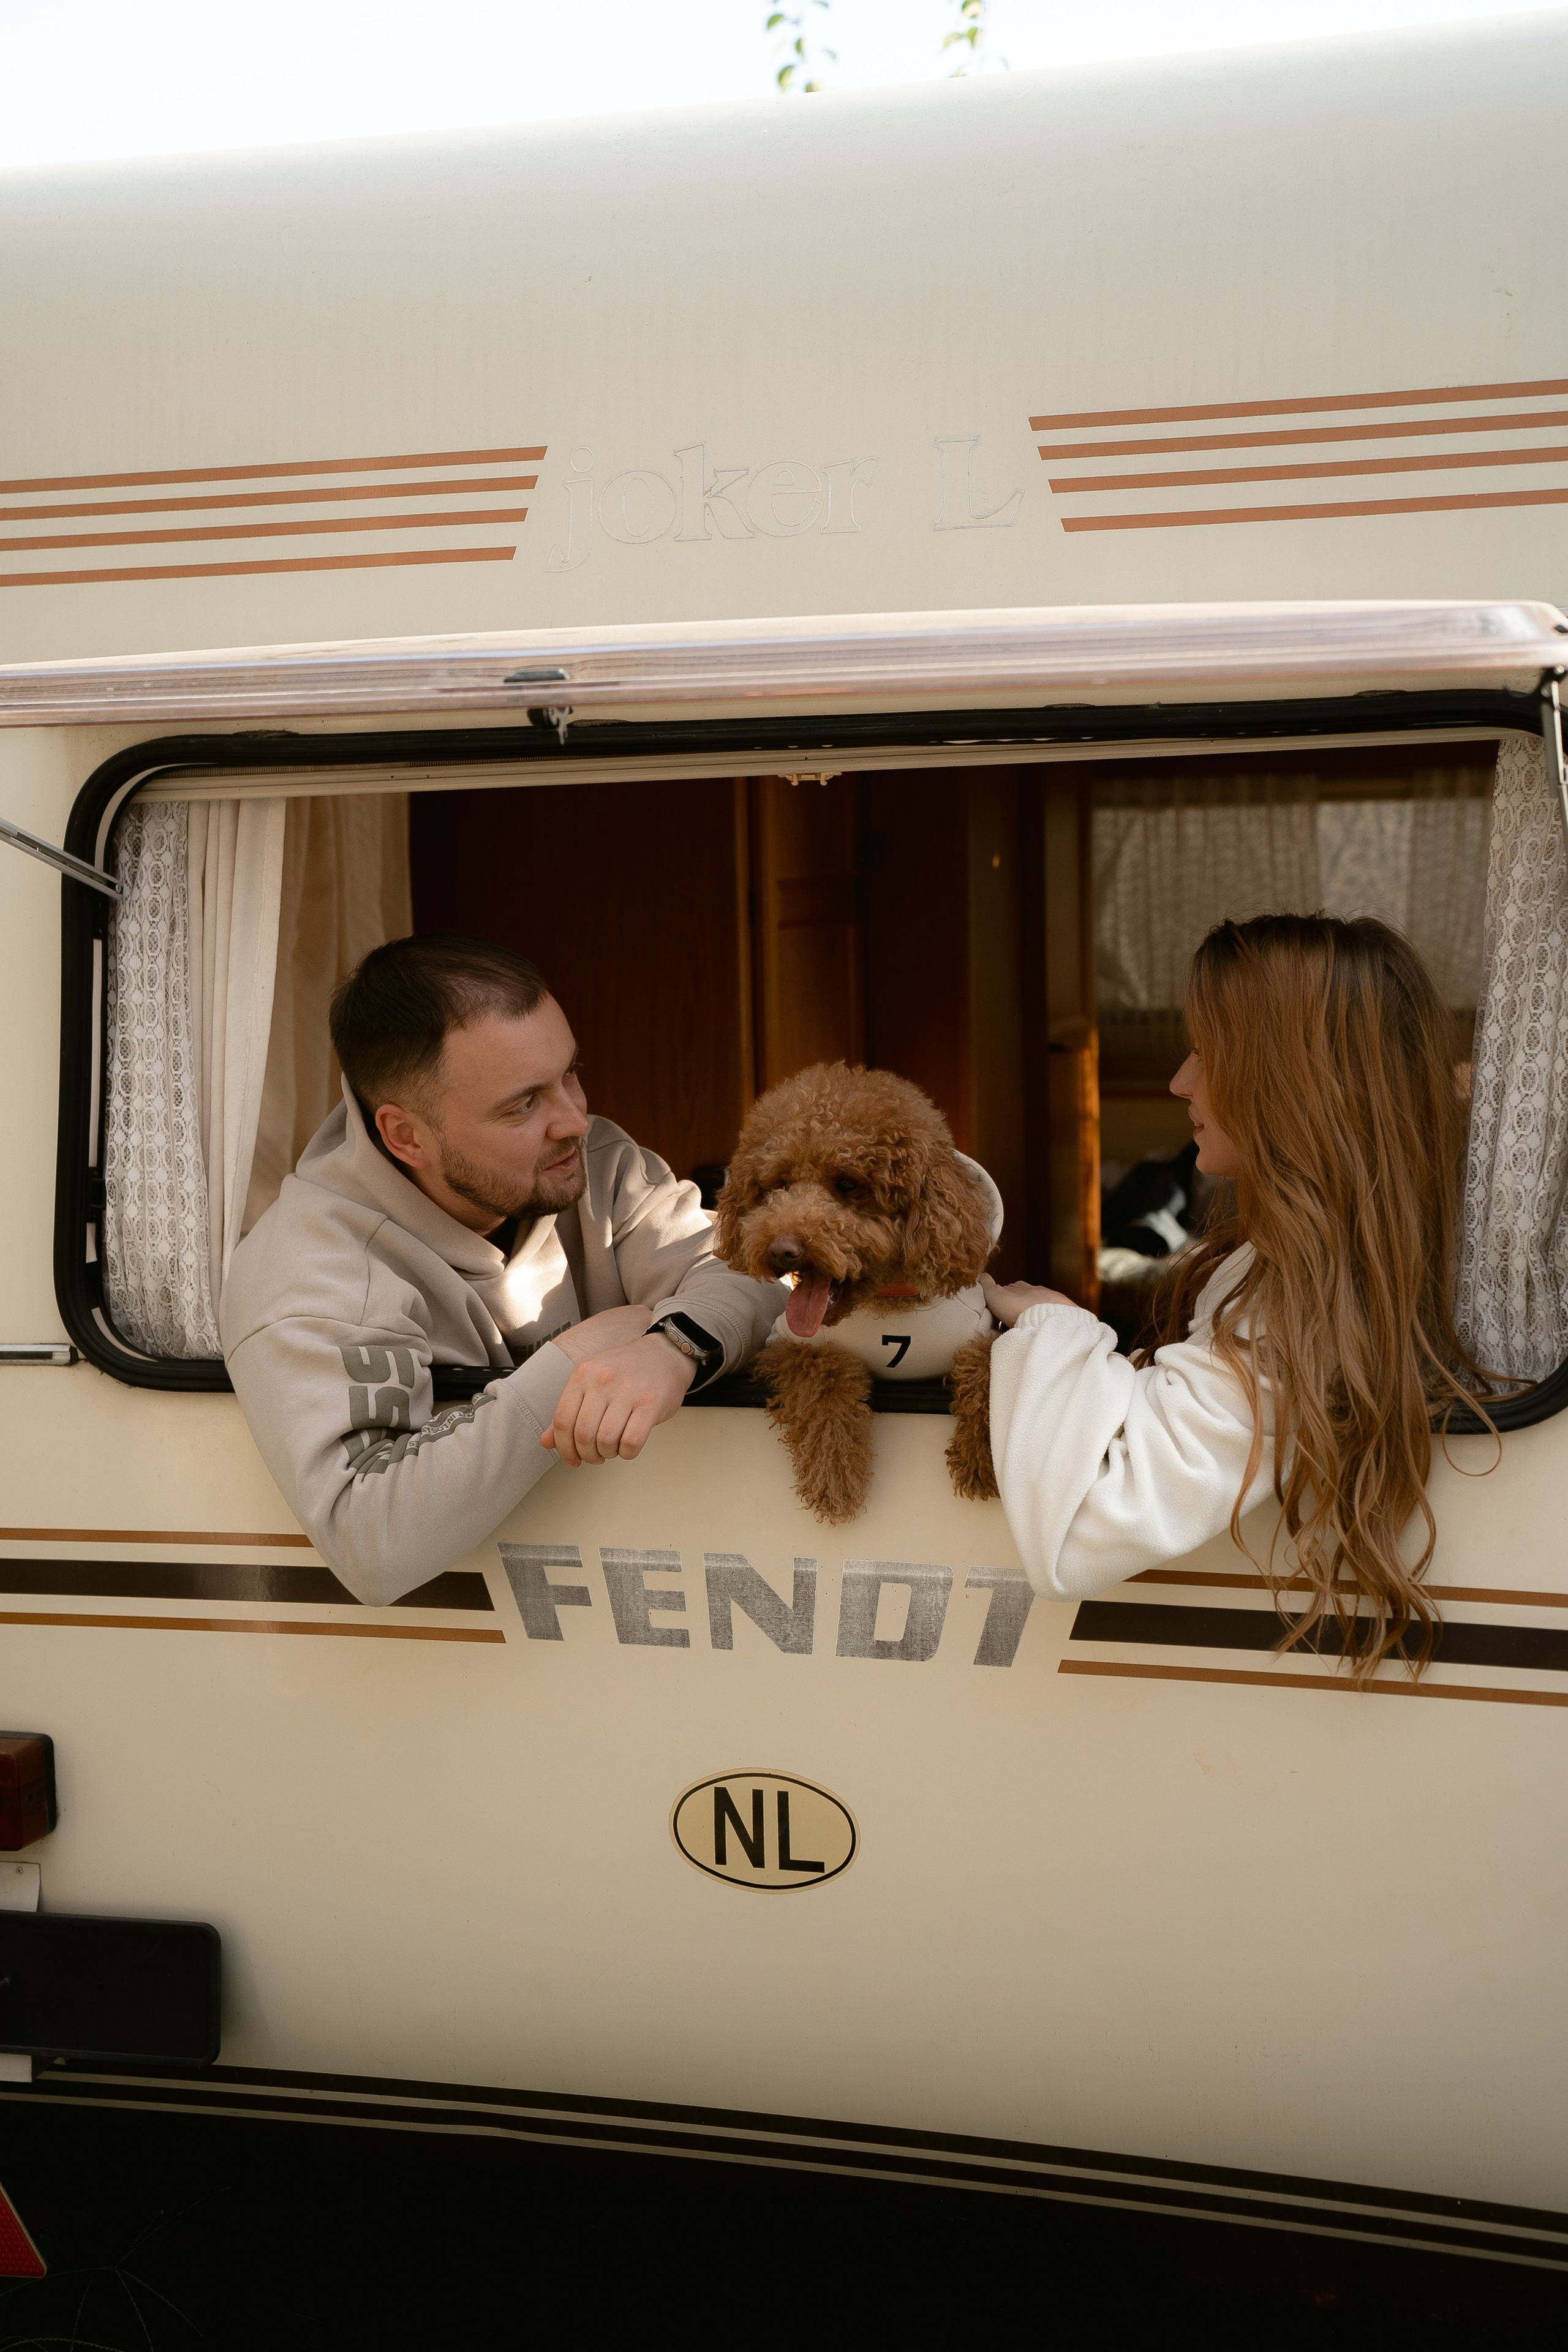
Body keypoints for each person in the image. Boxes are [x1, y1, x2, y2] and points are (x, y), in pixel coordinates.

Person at [981, 914, 1491, 1681]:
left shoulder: (1296, 1300)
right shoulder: (1346, 1251)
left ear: (1291, 1082)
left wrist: (1053, 1326)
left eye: (1208, 1053)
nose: (1179, 1081)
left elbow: (1081, 1537)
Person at [221, 936, 783, 1605]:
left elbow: (750, 1268)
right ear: (406, 1137)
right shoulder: (311, 1275)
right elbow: (368, 1536)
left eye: (570, 1074)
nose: (575, 1119)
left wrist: (673, 1345)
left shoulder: (596, 1163)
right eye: (523, 1105)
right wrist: (575, 1360)